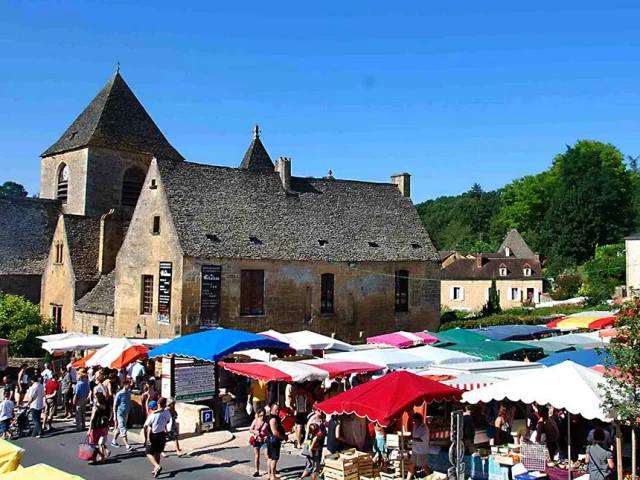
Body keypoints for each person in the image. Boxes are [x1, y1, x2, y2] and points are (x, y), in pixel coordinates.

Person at [144, 398, 172, 478]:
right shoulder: (166, 412)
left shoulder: (153, 415)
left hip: (154, 435)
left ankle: (156, 466)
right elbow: (168, 420)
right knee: (158, 452)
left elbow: (145, 425)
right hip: (162, 434)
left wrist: (147, 438)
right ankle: (156, 469)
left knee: (148, 452)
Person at [87, 391, 111, 463]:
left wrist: (89, 429)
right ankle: (100, 457)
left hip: (96, 427)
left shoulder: (96, 408)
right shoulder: (106, 406)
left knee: (93, 443)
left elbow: (92, 419)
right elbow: (109, 415)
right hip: (104, 426)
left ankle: (97, 457)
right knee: (100, 443)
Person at [111, 379, 133, 451]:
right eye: (128, 384)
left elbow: (129, 401)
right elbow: (115, 405)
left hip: (126, 412)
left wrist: (132, 408)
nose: (129, 386)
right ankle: (127, 445)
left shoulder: (129, 392)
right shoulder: (119, 394)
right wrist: (114, 415)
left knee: (120, 427)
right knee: (123, 427)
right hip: (120, 412)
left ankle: (114, 440)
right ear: (124, 385)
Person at [407, 413, 430, 480]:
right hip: (415, 450)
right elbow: (413, 436)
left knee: (424, 466)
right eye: (414, 421)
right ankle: (408, 479)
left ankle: (432, 478)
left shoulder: (424, 428)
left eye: (415, 421)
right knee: (411, 464)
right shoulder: (415, 426)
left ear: (419, 420)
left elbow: (422, 439)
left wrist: (411, 438)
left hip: (422, 451)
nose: (414, 422)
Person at [267, 403, 287, 480]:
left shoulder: (272, 417)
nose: (277, 411)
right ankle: (272, 476)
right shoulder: (273, 419)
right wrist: (284, 437)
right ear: (271, 410)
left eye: (278, 409)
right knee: (274, 458)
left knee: (270, 458)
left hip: (270, 439)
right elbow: (275, 432)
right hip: (274, 441)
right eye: (276, 410)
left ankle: (269, 475)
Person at [250, 409, 270, 477]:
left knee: (267, 456)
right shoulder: (255, 421)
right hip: (256, 440)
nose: (262, 417)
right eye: (261, 415)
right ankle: (257, 471)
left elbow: (269, 431)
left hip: (264, 441)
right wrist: (255, 431)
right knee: (257, 456)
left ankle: (270, 470)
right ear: (258, 415)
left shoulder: (266, 423)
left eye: (263, 415)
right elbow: (250, 429)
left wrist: (266, 436)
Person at [294, 384, 311, 448]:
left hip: (305, 413)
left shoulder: (305, 396)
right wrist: (294, 409)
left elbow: (309, 402)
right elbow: (292, 402)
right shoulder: (296, 396)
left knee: (307, 428)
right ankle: (298, 443)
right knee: (299, 428)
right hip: (299, 413)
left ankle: (306, 442)